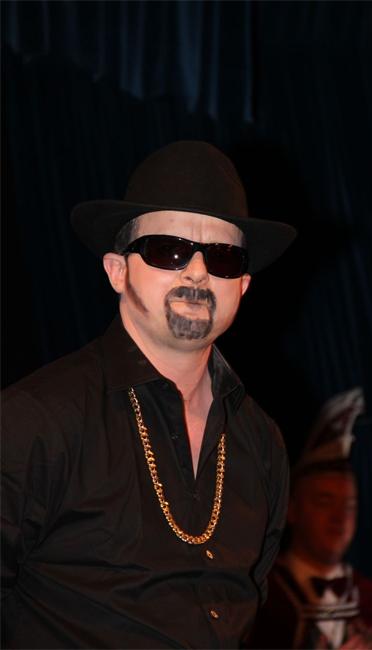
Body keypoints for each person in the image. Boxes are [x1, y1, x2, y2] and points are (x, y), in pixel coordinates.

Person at [1, 140, 297, 649]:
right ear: (117, 271)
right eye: (169, 250)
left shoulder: (261, 442)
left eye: (222, 258)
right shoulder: (36, 420)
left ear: (243, 286)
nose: (197, 272)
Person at [248, 388, 372, 650]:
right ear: (292, 509)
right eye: (324, 502)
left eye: (349, 505)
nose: (340, 517)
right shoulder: (261, 597)